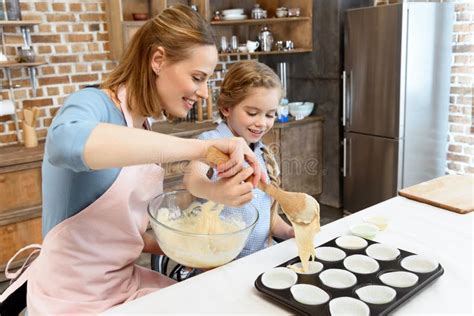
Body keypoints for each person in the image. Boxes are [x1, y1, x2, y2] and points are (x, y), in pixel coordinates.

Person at [0, 5, 263, 314]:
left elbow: (124, 237)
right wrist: (200, 150)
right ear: (158, 60)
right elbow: (64, 143)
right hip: (72, 299)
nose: (204, 93)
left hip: (123, 285)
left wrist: (197, 244)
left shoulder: (143, 126)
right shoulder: (91, 103)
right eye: (197, 77)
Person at [184, 60, 294, 259]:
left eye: (270, 115)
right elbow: (191, 179)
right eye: (252, 113)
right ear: (226, 108)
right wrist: (214, 191)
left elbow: (266, 217)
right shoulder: (212, 142)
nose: (261, 123)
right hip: (220, 263)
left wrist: (288, 232)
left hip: (259, 259)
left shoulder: (261, 153)